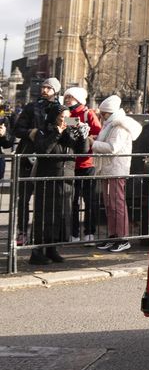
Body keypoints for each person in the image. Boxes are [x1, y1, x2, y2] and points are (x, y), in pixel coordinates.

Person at [28, 101, 89, 265]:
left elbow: (82, 151)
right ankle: (37, 251)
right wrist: (57, 132)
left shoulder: (70, 130)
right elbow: (43, 150)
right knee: (44, 215)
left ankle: (52, 248)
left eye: (67, 117)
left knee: (61, 214)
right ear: (54, 117)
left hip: (66, 177)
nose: (64, 120)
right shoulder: (43, 130)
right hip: (47, 177)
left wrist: (83, 136)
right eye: (61, 117)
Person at [92, 95, 143, 253]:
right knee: (110, 204)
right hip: (109, 168)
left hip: (116, 169)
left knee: (117, 204)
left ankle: (122, 237)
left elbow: (112, 147)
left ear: (109, 113)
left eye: (103, 113)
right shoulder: (111, 125)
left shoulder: (119, 126)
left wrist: (94, 143)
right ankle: (114, 235)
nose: (101, 116)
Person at [13, 77, 61, 243]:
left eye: (49, 88)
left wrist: (81, 126)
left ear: (55, 91)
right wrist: (30, 132)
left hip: (48, 158)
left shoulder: (60, 108)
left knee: (45, 200)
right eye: (43, 87)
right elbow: (17, 129)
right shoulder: (31, 107)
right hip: (28, 156)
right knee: (24, 198)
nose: (44, 90)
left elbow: (69, 125)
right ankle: (22, 232)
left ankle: (39, 233)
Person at [63, 86, 102, 242]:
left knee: (89, 200)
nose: (67, 100)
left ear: (78, 98)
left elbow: (98, 132)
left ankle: (89, 232)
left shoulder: (88, 113)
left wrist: (87, 138)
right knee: (72, 201)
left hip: (87, 163)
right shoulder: (65, 114)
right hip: (71, 164)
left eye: (70, 97)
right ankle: (73, 232)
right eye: (66, 97)